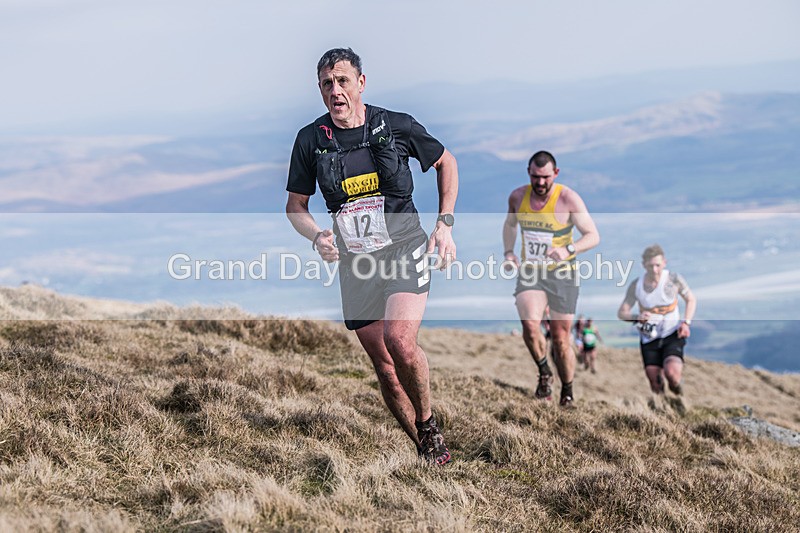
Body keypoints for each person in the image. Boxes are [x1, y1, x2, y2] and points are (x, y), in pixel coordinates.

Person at [285, 48, 458, 465]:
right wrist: (316, 236)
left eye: (343, 81)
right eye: (327, 83)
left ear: (360, 83)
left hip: (404, 249)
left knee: (400, 342)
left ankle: (428, 422)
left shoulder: (395, 125)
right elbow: (295, 206)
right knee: (384, 367)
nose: (335, 90)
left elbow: (446, 162)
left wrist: (445, 223)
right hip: (356, 264)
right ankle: (425, 448)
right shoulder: (310, 140)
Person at [502, 151, 600, 407]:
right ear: (529, 172)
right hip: (532, 272)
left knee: (560, 339)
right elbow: (510, 225)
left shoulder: (568, 199)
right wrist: (509, 252)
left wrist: (569, 249)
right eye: (536, 176)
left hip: (562, 275)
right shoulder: (517, 197)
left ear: (555, 173)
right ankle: (544, 371)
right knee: (530, 326)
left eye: (545, 177)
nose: (540, 182)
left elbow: (592, 235)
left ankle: (567, 391)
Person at [617, 244, 696, 395]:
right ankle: (662, 407)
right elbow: (622, 312)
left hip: (672, 333)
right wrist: (637, 317)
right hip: (649, 338)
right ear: (644, 265)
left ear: (664, 263)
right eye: (650, 266)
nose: (654, 270)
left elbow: (691, 299)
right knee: (655, 382)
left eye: (657, 265)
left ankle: (680, 398)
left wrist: (686, 322)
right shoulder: (636, 285)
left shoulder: (673, 279)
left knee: (672, 373)